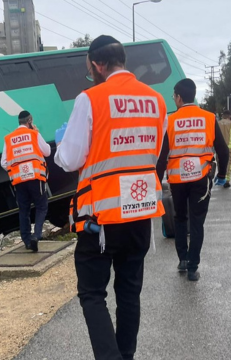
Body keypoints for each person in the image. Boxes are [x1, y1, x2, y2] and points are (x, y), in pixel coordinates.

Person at [54, 35, 167, 360]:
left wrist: (60, 149)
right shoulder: (156, 100)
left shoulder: (90, 99)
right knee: (130, 292)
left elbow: (72, 158)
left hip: (100, 217)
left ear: (96, 64)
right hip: (141, 211)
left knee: (92, 294)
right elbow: (154, 152)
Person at [156, 78, 229, 281]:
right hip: (201, 178)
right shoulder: (208, 117)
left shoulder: (170, 121)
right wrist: (222, 175)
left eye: (174, 97)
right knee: (197, 222)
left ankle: (182, 259)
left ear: (179, 97)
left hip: (177, 180)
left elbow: (162, 156)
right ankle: (193, 266)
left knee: (180, 218)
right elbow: (222, 150)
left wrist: (155, 179)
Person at [1, 110, 51, 252]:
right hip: (36, 177)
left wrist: (17, 170)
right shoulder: (34, 134)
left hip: (19, 180)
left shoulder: (9, 138)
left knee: (24, 210)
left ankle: (27, 241)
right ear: (29, 121)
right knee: (41, 206)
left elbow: (4, 163)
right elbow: (47, 152)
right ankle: (36, 235)